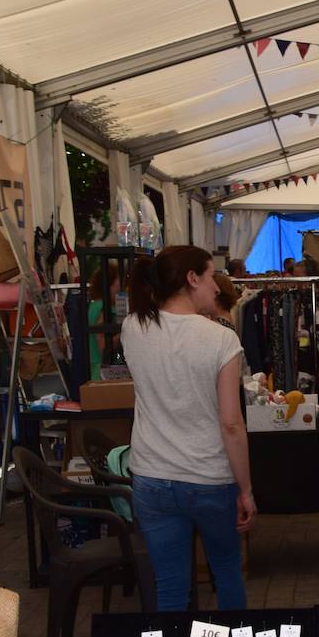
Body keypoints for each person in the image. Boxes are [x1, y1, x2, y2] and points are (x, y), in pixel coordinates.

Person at [121, 245, 255, 611]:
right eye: (211, 276)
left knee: (170, 588)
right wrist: (246, 489)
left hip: (151, 477)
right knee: (226, 572)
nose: (216, 287)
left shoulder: (133, 327)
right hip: (209, 479)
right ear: (192, 278)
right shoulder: (222, 339)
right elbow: (231, 422)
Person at [87, 265, 121, 379]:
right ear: (109, 286)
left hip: (97, 369)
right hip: (104, 373)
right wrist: (125, 332)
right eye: (118, 284)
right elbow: (103, 346)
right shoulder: (103, 308)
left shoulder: (94, 306)